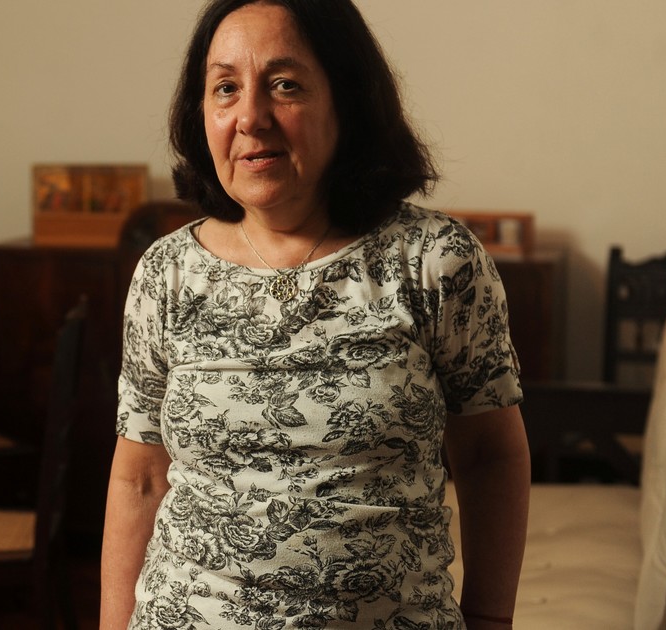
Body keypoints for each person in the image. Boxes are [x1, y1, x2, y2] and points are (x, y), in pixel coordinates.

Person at [101, 0, 530, 628]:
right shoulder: (165, 273)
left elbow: (491, 455)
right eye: (225, 88)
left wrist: (490, 620)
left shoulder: (435, 261)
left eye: (284, 85)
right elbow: (139, 478)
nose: (251, 117)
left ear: (346, 100)